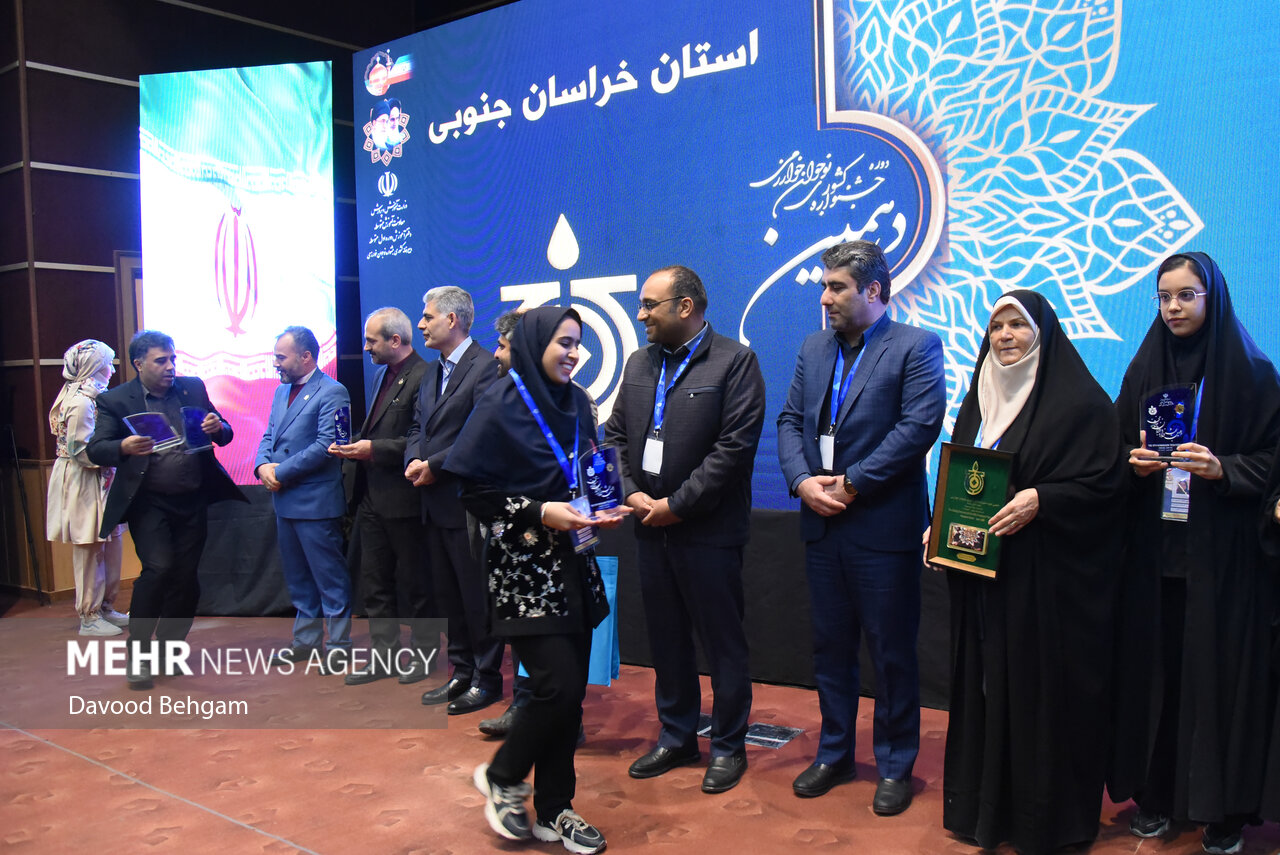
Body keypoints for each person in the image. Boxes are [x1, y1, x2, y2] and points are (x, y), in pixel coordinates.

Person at [941, 292, 1125, 854]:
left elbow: (1106, 487)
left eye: (1016, 325)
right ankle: (983, 811)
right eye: (995, 326)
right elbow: (968, 475)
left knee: (1038, 698)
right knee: (986, 691)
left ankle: (1044, 821)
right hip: (984, 578)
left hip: (1048, 589)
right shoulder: (979, 396)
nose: (1004, 337)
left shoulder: (1082, 404)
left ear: (1043, 333)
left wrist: (1043, 499)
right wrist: (941, 520)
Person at [1109, 252, 1280, 855]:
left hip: (1225, 562)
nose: (1174, 307)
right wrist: (1130, 462)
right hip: (1157, 561)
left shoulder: (1254, 374)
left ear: (1213, 298)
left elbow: (1272, 464)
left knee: (1219, 687)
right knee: (1160, 682)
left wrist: (1222, 468)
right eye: (1164, 297)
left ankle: (1224, 813)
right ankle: (1156, 797)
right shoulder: (1144, 368)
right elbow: (1114, 445)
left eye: (1186, 295)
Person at [447, 306, 626, 855]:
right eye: (563, 342)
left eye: (578, 343)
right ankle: (502, 776)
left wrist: (601, 503)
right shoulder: (499, 403)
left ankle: (555, 809)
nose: (573, 353)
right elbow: (471, 489)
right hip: (523, 567)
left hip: (574, 557)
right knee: (558, 685)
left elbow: (585, 465)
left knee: (569, 698)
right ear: (534, 343)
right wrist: (538, 510)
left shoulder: (578, 403)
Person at [776, 239, 945, 814]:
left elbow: (918, 426)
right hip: (821, 522)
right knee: (830, 648)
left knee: (891, 651)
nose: (824, 298)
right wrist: (802, 483)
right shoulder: (813, 348)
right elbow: (791, 419)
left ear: (873, 291)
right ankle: (835, 752)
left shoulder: (916, 347)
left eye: (836, 287)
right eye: (824, 286)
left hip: (881, 525)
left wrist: (850, 483)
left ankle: (896, 763)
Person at [604, 265, 766, 794]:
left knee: (723, 645)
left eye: (650, 304)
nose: (641, 313)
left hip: (708, 532)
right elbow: (614, 439)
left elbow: (733, 451)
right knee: (667, 640)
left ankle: (728, 746)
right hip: (649, 529)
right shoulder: (636, 363)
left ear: (686, 307)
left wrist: (677, 504)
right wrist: (630, 493)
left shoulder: (735, 362)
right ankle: (676, 736)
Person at [87, 330, 246, 688]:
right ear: (139, 364)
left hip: (192, 499)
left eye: (173, 359)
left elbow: (225, 432)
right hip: (149, 503)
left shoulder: (192, 388)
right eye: (161, 360)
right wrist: (123, 446)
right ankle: (139, 656)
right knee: (159, 569)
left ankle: (170, 650)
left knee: (185, 578)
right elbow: (96, 448)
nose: (170, 367)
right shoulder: (116, 400)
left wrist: (218, 426)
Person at [405, 286, 503, 714]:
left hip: (466, 501)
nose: (421, 324)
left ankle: (486, 678)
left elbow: (482, 432)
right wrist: (413, 457)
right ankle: (461, 671)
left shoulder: (485, 367)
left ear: (453, 320)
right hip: (431, 501)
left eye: (428, 317)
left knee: (475, 594)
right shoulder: (431, 371)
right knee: (448, 594)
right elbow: (416, 426)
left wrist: (436, 464)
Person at [329, 308, 434, 686]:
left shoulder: (426, 375)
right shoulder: (378, 376)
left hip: (407, 498)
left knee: (416, 583)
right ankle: (383, 657)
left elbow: (421, 440)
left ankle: (423, 658)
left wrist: (372, 449)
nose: (366, 346)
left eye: (372, 339)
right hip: (371, 497)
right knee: (374, 582)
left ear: (395, 340)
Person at [255, 326, 352, 670]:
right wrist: (261, 466)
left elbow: (328, 447)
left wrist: (278, 472)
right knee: (298, 578)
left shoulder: (333, 392)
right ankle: (306, 641)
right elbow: (268, 435)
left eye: (281, 356)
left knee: (330, 579)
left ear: (305, 356)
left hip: (316, 504)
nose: (276, 362)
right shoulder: (281, 392)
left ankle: (339, 644)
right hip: (285, 503)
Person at [46, 339, 128, 637]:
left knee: (110, 542)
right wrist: (117, 451)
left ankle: (106, 606)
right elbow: (80, 449)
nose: (111, 369)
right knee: (89, 546)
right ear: (95, 366)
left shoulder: (95, 396)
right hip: (85, 480)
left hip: (103, 478)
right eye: (108, 363)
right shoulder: (80, 402)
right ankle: (89, 614)